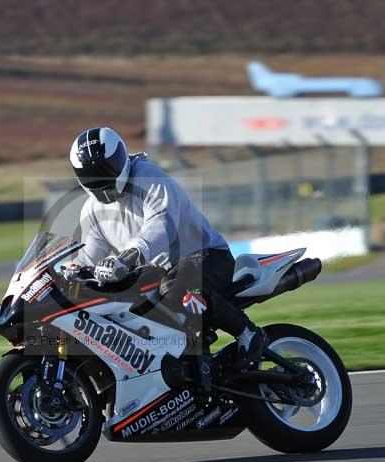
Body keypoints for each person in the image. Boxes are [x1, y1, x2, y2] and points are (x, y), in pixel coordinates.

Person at [67, 126, 265, 370]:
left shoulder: (148, 176)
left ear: (120, 159)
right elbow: (89, 254)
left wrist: (129, 256)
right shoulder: (91, 210)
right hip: (154, 274)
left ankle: (248, 334)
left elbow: (162, 222)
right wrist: (72, 270)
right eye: (91, 175)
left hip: (204, 255)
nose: (101, 179)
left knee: (177, 291)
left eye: (105, 170)